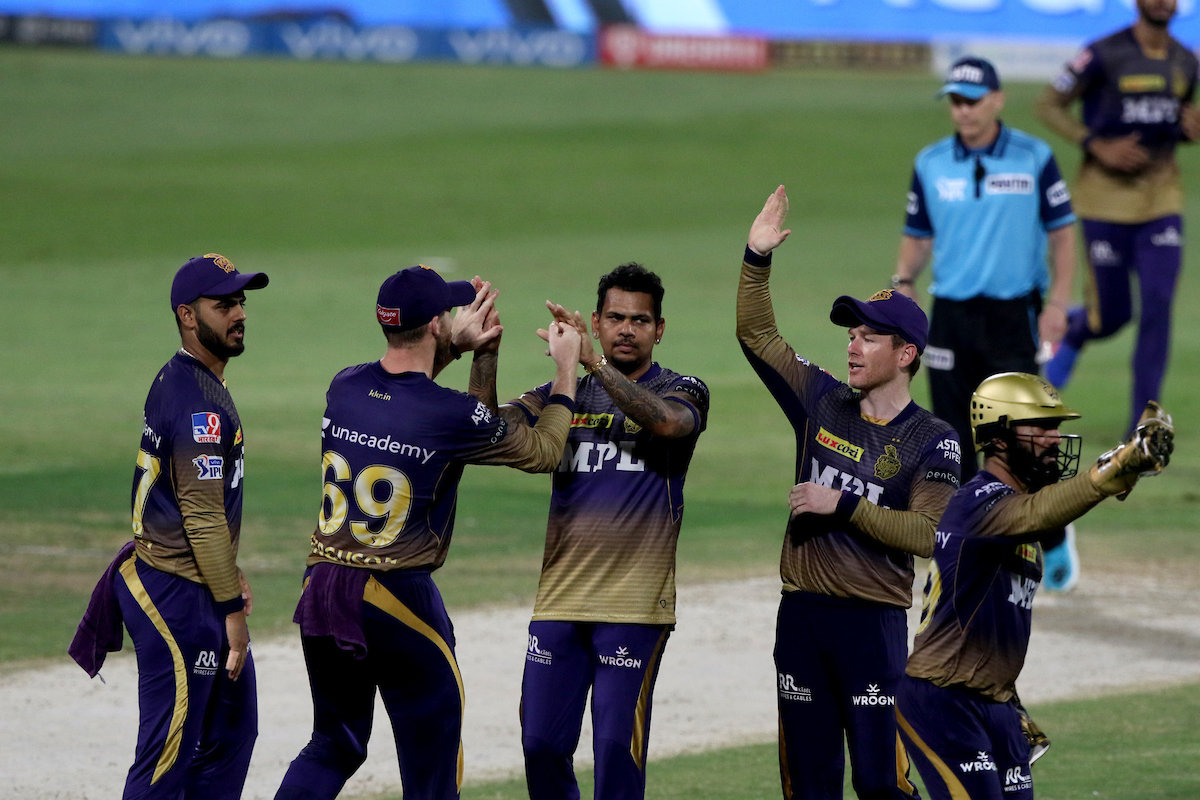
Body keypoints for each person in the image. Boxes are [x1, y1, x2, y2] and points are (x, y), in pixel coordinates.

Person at [274, 266, 580, 800]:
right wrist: (567, 374)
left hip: (320, 586)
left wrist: (468, 351)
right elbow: (544, 451)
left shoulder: (344, 385)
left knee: (334, 743)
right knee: (432, 768)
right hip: (397, 596)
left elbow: (420, 404)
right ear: (437, 324)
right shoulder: (448, 413)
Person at [739, 186, 962, 800]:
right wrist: (757, 258)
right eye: (852, 333)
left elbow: (928, 533)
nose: (852, 345)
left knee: (879, 785)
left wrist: (842, 504)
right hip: (803, 617)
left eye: (869, 337)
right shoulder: (822, 400)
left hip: (874, 627)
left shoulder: (933, 439)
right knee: (808, 785)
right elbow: (759, 337)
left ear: (906, 353)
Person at [485, 264, 708, 800]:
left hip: (635, 607)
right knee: (539, 744)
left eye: (639, 320)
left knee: (615, 752)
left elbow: (666, 425)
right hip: (560, 602)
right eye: (615, 318)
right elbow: (488, 432)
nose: (627, 328)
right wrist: (485, 352)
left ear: (660, 329)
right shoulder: (561, 396)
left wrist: (594, 366)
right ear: (597, 322)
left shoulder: (684, 390)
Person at [899, 373, 1173, 800]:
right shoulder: (977, 503)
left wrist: (1010, 700)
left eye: (1057, 428)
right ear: (1001, 437)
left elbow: (981, 619)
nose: (1055, 439)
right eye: (1042, 427)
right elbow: (1043, 512)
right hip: (943, 703)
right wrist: (1117, 466)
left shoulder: (1017, 515)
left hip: (996, 705)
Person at [70, 253, 269, 799]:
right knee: (166, 754)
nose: (239, 313)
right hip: (174, 594)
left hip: (195, 581)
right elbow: (201, 515)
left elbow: (190, 504)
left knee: (232, 732)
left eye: (241, 301)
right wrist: (231, 611)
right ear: (187, 315)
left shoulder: (195, 381)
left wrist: (229, 574)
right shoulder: (195, 401)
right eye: (223, 304)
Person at [893, 55, 1077, 484]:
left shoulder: (1034, 156)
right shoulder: (930, 163)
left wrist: (1059, 304)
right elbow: (918, 234)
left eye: (972, 101)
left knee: (1021, 439)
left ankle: (1032, 545)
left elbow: (1063, 234)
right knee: (952, 438)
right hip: (951, 316)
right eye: (956, 101)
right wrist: (903, 280)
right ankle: (963, 545)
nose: (963, 110)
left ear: (997, 100)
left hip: (1014, 315)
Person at [1037, 0, 1199, 440]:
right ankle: (1075, 330)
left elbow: (1177, 125)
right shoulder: (1103, 53)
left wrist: (1191, 130)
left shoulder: (1187, 61)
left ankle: (1142, 427)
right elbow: (1049, 104)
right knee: (1109, 317)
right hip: (1103, 205)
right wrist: (1095, 143)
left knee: (1159, 307)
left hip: (1160, 204)